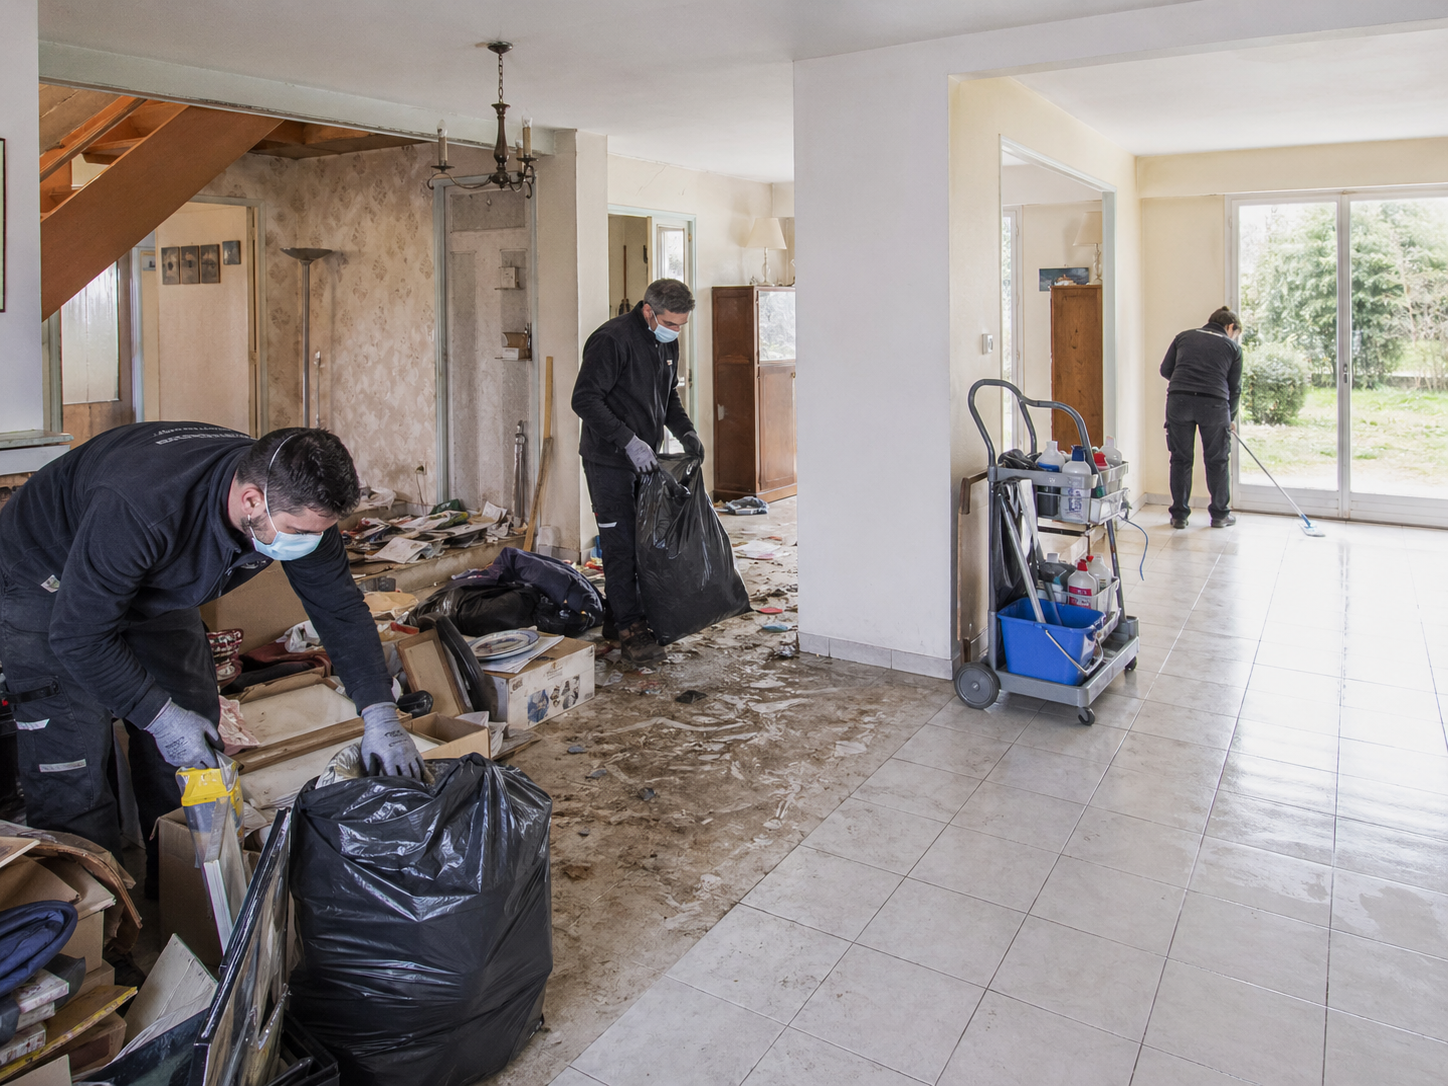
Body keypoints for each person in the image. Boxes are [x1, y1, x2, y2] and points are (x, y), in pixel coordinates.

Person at [0, 423, 423, 894]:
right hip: (47, 580)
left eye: (318, 532)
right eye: (299, 532)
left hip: (156, 579)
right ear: (250, 502)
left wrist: (381, 712)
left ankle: (182, 896)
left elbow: (340, 610)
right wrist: (158, 717)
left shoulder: (290, 497)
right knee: (73, 763)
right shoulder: (142, 505)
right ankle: (99, 928)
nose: (307, 543)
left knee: (191, 744)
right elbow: (79, 636)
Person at [572, 278, 705, 665]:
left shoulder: (666, 342)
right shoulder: (611, 341)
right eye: (671, 323)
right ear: (648, 311)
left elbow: (667, 396)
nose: (676, 331)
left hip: (645, 461)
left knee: (643, 543)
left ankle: (618, 618)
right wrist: (627, 440)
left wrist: (686, 430)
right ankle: (631, 630)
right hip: (609, 460)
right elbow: (584, 399)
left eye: (681, 325)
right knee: (619, 545)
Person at [1160, 306, 1244, 529]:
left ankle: (1179, 516)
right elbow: (1235, 389)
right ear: (1230, 327)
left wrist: (1185, 381)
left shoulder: (1183, 337)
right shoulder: (1232, 347)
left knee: (1180, 459)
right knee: (1217, 461)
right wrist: (1230, 417)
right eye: (1236, 332)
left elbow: (1166, 370)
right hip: (1214, 406)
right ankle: (1219, 515)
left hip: (1179, 402)